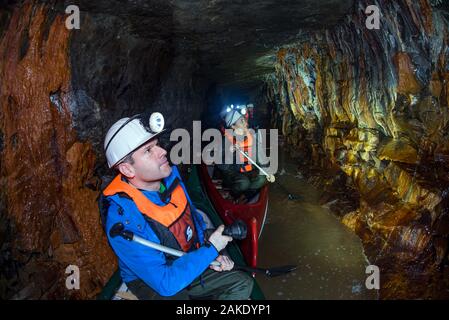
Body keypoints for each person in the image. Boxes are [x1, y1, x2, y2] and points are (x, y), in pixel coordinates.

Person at [99, 112, 254, 300]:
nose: (162, 151)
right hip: (155, 278)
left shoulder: (171, 179)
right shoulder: (124, 220)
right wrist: (211, 248)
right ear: (127, 169)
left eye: (156, 145)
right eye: (148, 150)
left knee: (243, 282)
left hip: (186, 254)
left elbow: (193, 222)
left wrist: (212, 252)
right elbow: (166, 282)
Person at [217, 107, 267, 202]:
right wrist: (230, 152)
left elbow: (260, 156)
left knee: (262, 178)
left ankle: (245, 196)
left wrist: (264, 168)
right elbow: (221, 166)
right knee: (244, 183)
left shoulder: (251, 136)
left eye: (243, 119)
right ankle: (234, 195)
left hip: (249, 171)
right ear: (233, 126)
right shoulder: (226, 141)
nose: (244, 122)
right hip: (233, 174)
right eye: (240, 121)